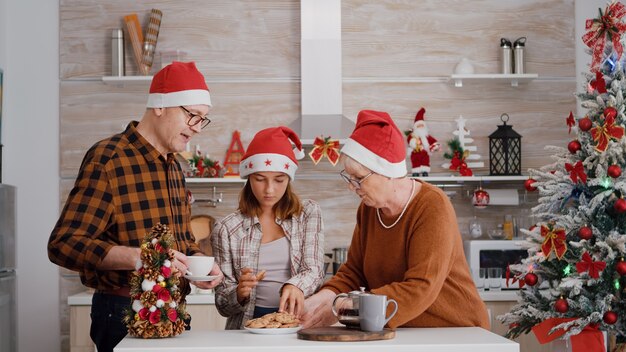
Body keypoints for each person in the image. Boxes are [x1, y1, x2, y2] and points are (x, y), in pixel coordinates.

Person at [47, 61, 224, 352]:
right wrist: (138, 258)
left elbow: (181, 241)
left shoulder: (174, 167)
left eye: (202, 119)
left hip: (175, 312)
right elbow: (63, 244)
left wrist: (198, 264)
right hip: (122, 312)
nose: (197, 128)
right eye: (192, 116)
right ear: (160, 106)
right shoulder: (109, 158)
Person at [300, 110, 489, 330]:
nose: (352, 187)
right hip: (404, 331)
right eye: (349, 177)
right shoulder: (369, 209)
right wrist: (323, 298)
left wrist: (350, 304)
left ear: (388, 172)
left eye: (359, 178)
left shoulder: (432, 207)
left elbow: (421, 287)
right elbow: (354, 272)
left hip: (456, 331)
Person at [211, 126, 325, 329]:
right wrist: (238, 292)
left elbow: (314, 270)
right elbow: (222, 305)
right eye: (260, 179)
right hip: (246, 329)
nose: (269, 190)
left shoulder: (308, 213)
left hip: (298, 325)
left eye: (279, 180)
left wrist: (294, 284)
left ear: (289, 179)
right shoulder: (227, 229)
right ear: (248, 178)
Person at [407, 107, 440, 177]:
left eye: (422, 125)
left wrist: (435, 146)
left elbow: (433, 141)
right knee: (416, 162)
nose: (420, 127)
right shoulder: (413, 136)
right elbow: (409, 140)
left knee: (425, 161)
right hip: (415, 152)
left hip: (425, 152)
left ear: (424, 127)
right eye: (418, 126)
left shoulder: (427, 136)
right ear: (415, 127)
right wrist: (413, 142)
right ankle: (416, 172)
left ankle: (425, 172)